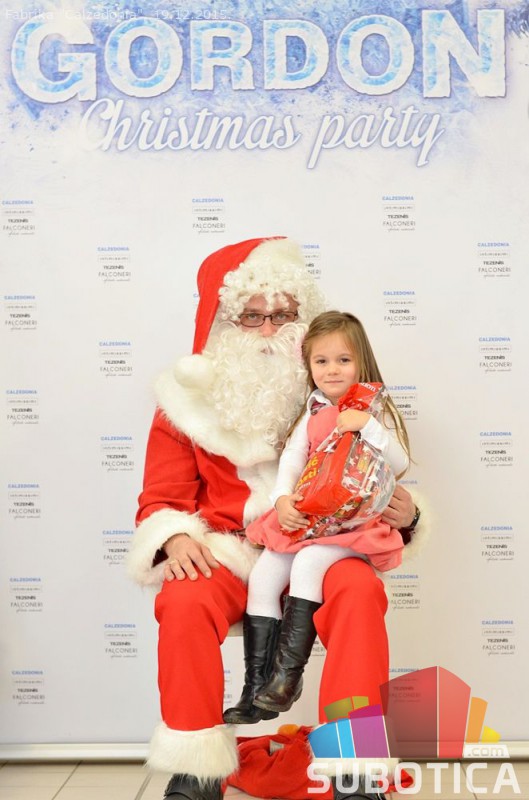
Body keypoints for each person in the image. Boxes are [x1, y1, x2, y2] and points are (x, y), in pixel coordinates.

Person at [127, 237, 427, 800]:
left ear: (304, 321)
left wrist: (408, 513)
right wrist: (174, 538)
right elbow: (160, 497)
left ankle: (355, 767)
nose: (268, 329)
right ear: (224, 323)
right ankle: (197, 766)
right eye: (252, 315)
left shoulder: (335, 389)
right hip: (231, 548)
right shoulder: (184, 403)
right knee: (185, 598)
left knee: (359, 593)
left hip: (324, 544)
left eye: (284, 314)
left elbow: (379, 470)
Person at [223, 311, 410, 727]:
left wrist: (368, 427)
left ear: (362, 361)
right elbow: (292, 459)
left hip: (351, 525)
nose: (332, 370)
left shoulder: (373, 409)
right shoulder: (314, 410)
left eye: (343, 360)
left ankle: (287, 677)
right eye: (321, 361)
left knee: (308, 564)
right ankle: (257, 685)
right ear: (308, 366)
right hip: (311, 521)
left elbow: (399, 464)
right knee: (265, 574)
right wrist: (281, 498)